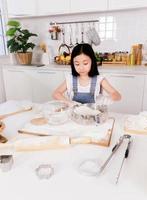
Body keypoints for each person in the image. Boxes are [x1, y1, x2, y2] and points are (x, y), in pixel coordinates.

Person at [52, 43, 121, 105]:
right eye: (77, 64)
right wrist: (68, 102)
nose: (81, 68)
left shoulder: (99, 79)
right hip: (74, 116)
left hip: (93, 116)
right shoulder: (70, 79)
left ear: (92, 61)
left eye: (85, 63)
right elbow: (56, 94)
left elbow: (117, 95)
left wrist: (110, 98)